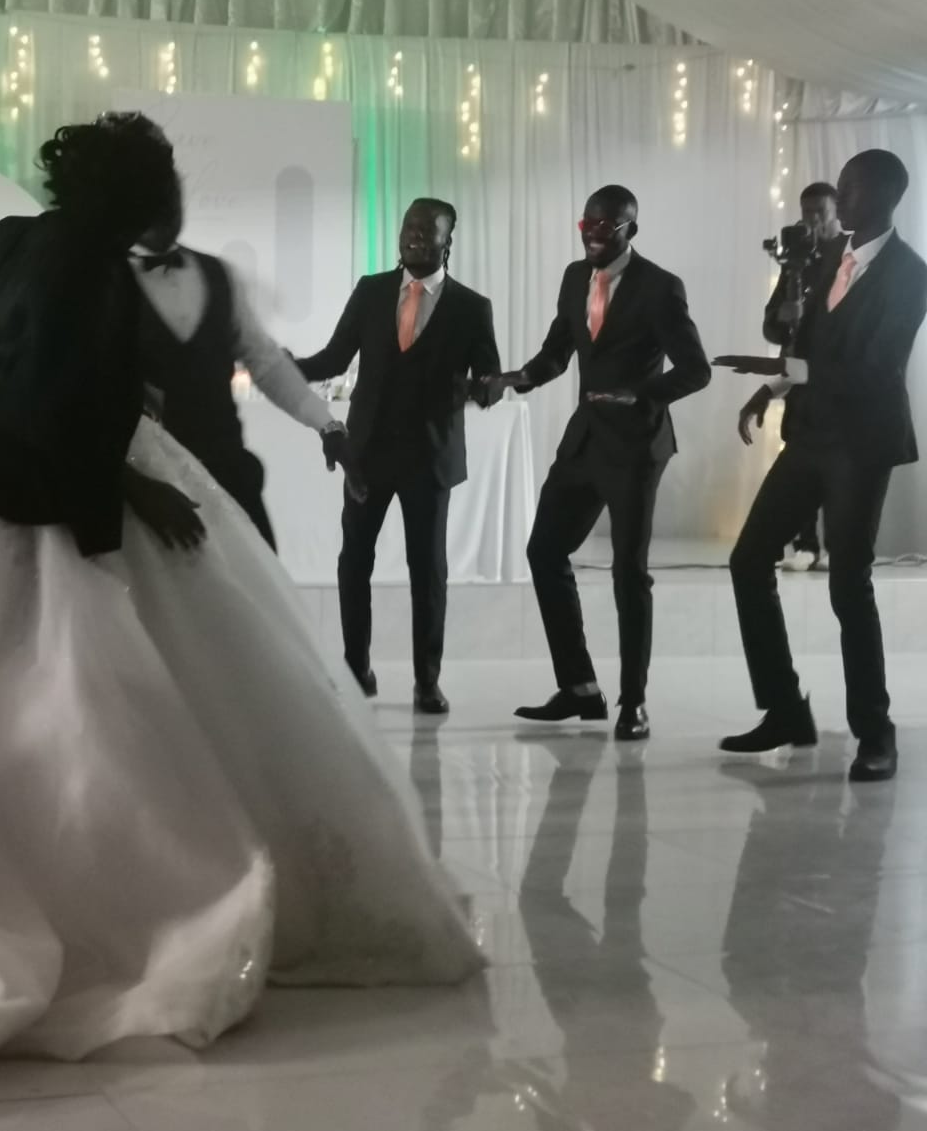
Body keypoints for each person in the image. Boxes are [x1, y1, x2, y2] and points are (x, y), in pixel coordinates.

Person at [0, 115, 480, 1109]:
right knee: (77, 698)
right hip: (37, 469)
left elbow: (29, 364)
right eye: (164, 182)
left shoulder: (18, 239)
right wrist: (126, 495)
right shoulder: (90, 269)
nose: (174, 200)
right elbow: (52, 403)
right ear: (136, 195)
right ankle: (90, 896)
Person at [717, 148, 927, 782]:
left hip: (862, 443)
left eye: (850, 188)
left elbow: (878, 368)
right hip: (810, 435)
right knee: (749, 560)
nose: (840, 197)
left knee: (847, 583)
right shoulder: (827, 256)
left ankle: (876, 734)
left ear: (886, 196)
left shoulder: (911, 274)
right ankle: (785, 709)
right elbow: (804, 344)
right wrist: (770, 387)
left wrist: (784, 369)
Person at [488, 186, 711, 742]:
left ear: (630, 230)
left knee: (627, 572)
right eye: (586, 224)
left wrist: (641, 394)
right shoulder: (574, 277)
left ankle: (634, 703)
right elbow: (557, 352)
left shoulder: (660, 287)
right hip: (585, 440)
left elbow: (696, 370)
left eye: (605, 226)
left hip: (636, 447)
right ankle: (580, 687)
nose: (592, 234)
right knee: (545, 551)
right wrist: (514, 379)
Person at [296, 199, 502, 715]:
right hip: (366, 454)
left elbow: (489, 381)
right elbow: (333, 358)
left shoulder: (472, 307)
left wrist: (486, 388)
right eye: (410, 227)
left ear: (447, 242)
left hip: (429, 459)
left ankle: (426, 681)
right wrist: (284, 367)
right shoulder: (370, 290)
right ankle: (356, 671)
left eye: (427, 231)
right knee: (353, 563)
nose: (414, 237)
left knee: (427, 572)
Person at [127, 134, 359, 547]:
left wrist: (327, 425)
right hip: (149, 483)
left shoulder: (218, 274)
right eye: (153, 195)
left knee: (261, 583)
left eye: (171, 192)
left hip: (228, 472)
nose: (166, 206)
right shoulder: (104, 281)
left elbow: (265, 362)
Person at [762, 182, 843, 572]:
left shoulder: (850, 254)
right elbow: (771, 327)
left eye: (819, 212)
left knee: (838, 464)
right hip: (797, 376)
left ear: (836, 211)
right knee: (798, 456)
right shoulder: (797, 259)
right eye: (805, 212)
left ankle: (837, 545)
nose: (811, 220)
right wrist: (784, 315)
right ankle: (806, 544)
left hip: (839, 379)